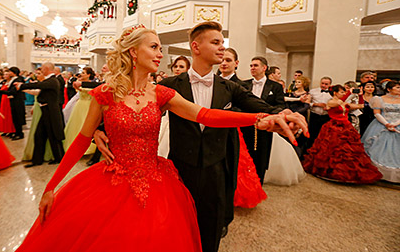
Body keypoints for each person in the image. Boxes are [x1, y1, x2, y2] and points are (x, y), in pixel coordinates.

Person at [16, 25, 306, 252]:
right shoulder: (105, 93)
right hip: (111, 183)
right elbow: (81, 139)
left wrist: (258, 119)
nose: (160, 54)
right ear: (133, 52)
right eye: (154, 47)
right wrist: (52, 186)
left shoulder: (162, 93)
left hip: (156, 184)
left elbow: (205, 115)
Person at [218, 48, 267, 211]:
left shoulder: (243, 85)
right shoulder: (210, 81)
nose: (224, 63)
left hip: (234, 131)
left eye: (228, 60)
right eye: (222, 60)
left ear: (236, 63)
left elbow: (248, 108)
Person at [303, 85, 382, 183]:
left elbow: (361, 105)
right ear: (335, 93)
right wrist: (349, 93)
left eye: (344, 92)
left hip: (346, 127)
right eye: (341, 92)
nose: (343, 94)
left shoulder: (344, 103)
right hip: (334, 127)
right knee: (332, 149)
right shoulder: (331, 102)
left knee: (348, 150)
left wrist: (360, 96)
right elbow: (339, 102)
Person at [241, 56, 286, 184]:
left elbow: (281, 105)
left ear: (264, 68)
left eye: (255, 65)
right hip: (246, 124)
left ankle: (258, 184)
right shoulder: (244, 84)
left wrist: (267, 115)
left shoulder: (275, 86)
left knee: (261, 157)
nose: (252, 68)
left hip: (265, 127)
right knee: (245, 155)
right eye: (251, 66)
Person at [17, 63, 65, 167]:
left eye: (42, 68)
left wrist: (22, 86)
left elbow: (39, 85)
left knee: (53, 136)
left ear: (46, 69)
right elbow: (39, 87)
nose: (41, 70)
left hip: (50, 112)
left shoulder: (52, 80)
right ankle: (38, 160)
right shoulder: (50, 80)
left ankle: (59, 158)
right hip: (46, 111)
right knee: (40, 135)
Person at [361, 81, 400, 184]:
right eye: (397, 88)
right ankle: (378, 173)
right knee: (378, 149)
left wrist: (396, 124)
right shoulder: (379, 99)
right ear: (389, 89)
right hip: (381, 124)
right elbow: (377, 113)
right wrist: (387, 124)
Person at [63, 67, 97, 155]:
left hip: (88, 106)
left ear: (89, 75)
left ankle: (87, 147)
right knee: (75, 124)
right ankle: (74, 146)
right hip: (79, 106)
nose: (81, 74)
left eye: (84, 72)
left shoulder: (92, 84)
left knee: (85, 125)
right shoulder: (79, 82)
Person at [22, 69, 54, 163]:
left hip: (42, 109)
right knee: (36, 130)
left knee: (41, 131)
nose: (37, 75)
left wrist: (23, 88)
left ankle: (45, 154)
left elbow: (36, 92)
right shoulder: (40, 83)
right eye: (37, 74)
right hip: (37, 106)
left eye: (40, 73)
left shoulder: (45, 84)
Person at [305, 77, 333, 155]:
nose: (323, 85)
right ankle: (309, 152)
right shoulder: (313, 91)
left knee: (324, 136)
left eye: (326, 84)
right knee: (312, 134)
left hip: (326, 117)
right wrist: (316, 104)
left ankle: (321, 153)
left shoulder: (332, 93)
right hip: (314, 116)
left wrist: (329, 107)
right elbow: (307, 103)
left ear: (330, 85)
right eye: (322, 83)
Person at [0, 67, 26, 140]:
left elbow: (13, 91)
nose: (9, 73)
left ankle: (19, 133)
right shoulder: (13, 79)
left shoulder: (18, 79)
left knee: (18, 117)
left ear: (14, 72)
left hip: (17, 100)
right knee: (14, 117)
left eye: (10, 72)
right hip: (13, 100)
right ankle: (16, 132)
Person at [0, 71, 15, 137]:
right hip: (3, 99)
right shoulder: (4, 82)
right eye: (4, 74)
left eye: (6, 74)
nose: (5, 75)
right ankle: (5, 130)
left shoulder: (10, 83)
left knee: (8, 115)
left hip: (7, 99)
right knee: (3, 114)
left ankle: (10, 130)